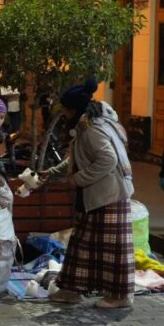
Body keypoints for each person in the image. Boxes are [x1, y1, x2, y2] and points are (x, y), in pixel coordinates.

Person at [38, 77, 135, 309]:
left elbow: (108, 159)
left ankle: (120, 296)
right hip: (97, 195)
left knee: (112, 251)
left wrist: (77, 180)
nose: (63, 113)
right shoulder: (88, 124)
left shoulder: (92, 129)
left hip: (109, 195)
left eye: (66, 109)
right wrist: (52, 173)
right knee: (82, 246)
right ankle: (71, 290)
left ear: (75, 108)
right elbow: (77, 158)